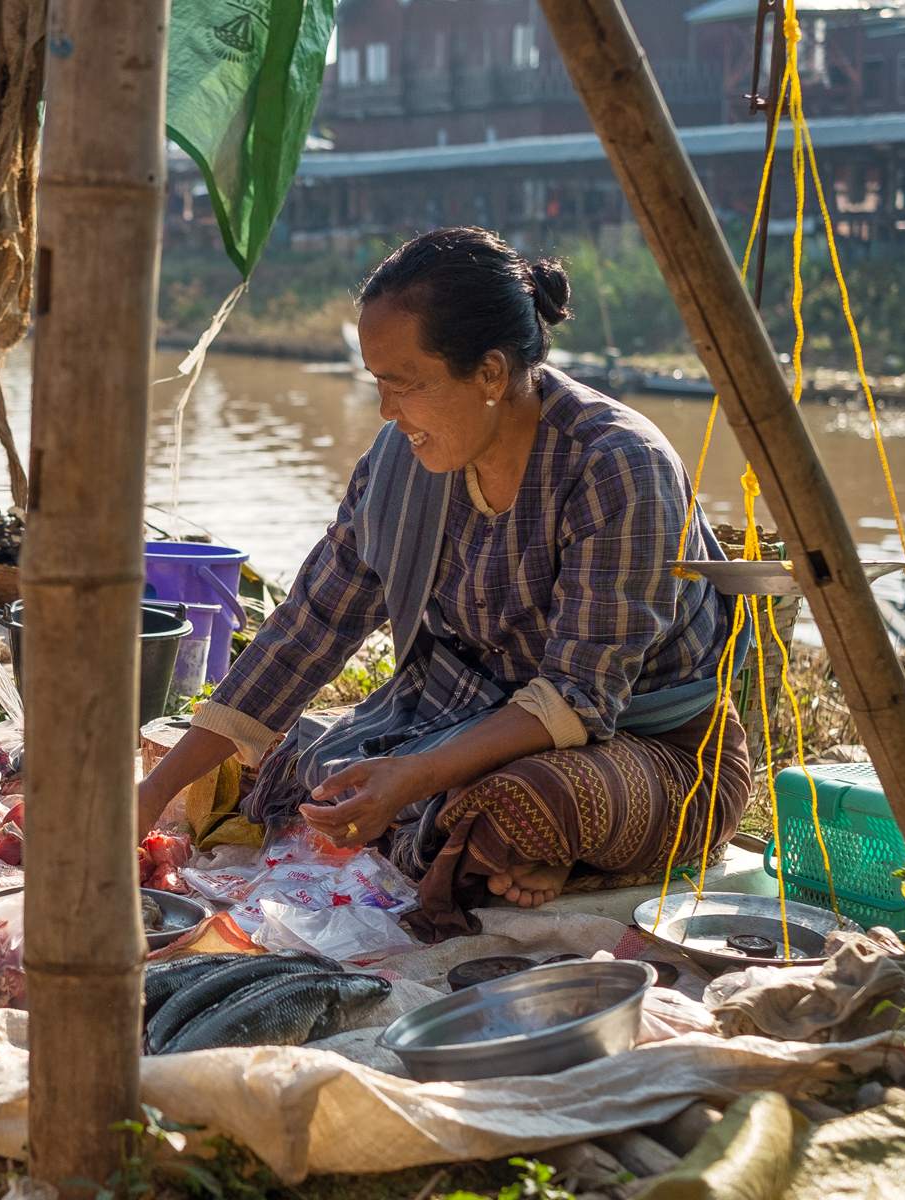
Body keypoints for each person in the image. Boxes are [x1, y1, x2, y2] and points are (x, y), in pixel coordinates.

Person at [136, 227, 751, 943]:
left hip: (652, 745)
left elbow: (579, 699)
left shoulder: (616, 465)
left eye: (407, 385)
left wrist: (417, 775)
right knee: (286, 757)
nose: (388, 413)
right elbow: (308, 629)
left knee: (519, 804)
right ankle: (505, 856)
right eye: (379, 385)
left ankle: (528, 848)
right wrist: (151, 796)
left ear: (491, 374)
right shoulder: (402, 461)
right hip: (467, 718)